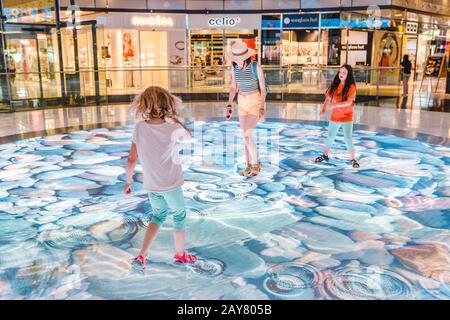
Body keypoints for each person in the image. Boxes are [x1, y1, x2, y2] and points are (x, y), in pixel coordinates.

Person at [125, 86, 196, 273]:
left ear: (144, 105)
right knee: (179, 215)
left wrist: (128, 181)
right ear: (167, 103)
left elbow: (132, 158)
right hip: (171, 184)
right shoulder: (172, 127)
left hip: (152, 185)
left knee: (158, 216)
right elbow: (189, 138)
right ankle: (180, 253)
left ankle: (142, 254)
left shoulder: (139, 127)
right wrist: (177, 122)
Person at [226, 41, 267, 177]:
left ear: (245, 57)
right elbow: (233, 87)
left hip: (254, 100)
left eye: (239, 59)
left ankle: (256, 164)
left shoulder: (256, 67)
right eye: (235, 59)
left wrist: (262, 107)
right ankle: (248, 165)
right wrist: (229, 104)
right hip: (241, 101)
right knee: (245, 137)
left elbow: (263, 88)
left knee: (247, 134)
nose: (237, 62)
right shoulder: (234, 68)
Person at [315, 64, 360, 168]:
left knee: (348, 138)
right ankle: (325, 155)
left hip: (347, 117)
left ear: (348, 75)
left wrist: (335, 104)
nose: (341, 74)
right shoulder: (334, 85)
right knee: (330, 137)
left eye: (344, 72)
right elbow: (327, 98)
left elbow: (349, 102)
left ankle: (353, 159)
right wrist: (323, 110)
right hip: (335, 117)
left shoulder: (351, 87)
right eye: (340, 72)